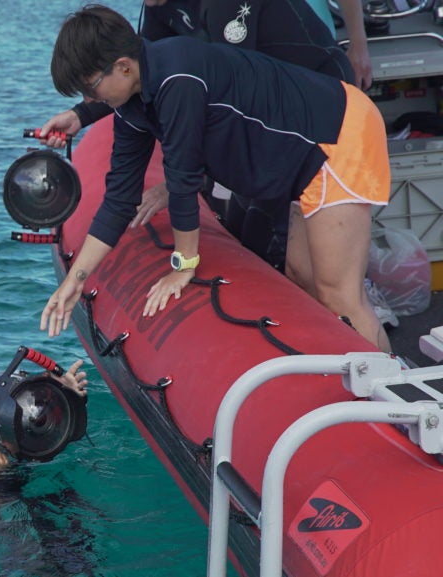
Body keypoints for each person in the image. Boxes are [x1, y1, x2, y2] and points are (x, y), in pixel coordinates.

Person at [38, 5, 392, 352]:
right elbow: (118, 199)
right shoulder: (132, 103)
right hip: (302, 154)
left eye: (92, 89)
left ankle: (398, 394)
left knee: (338, 295)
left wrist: (183, 265)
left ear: (123, 67)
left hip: (337, 135)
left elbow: (182, 178)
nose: (91, 99)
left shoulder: (178, 80)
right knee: (301, 276)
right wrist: (75, 280)